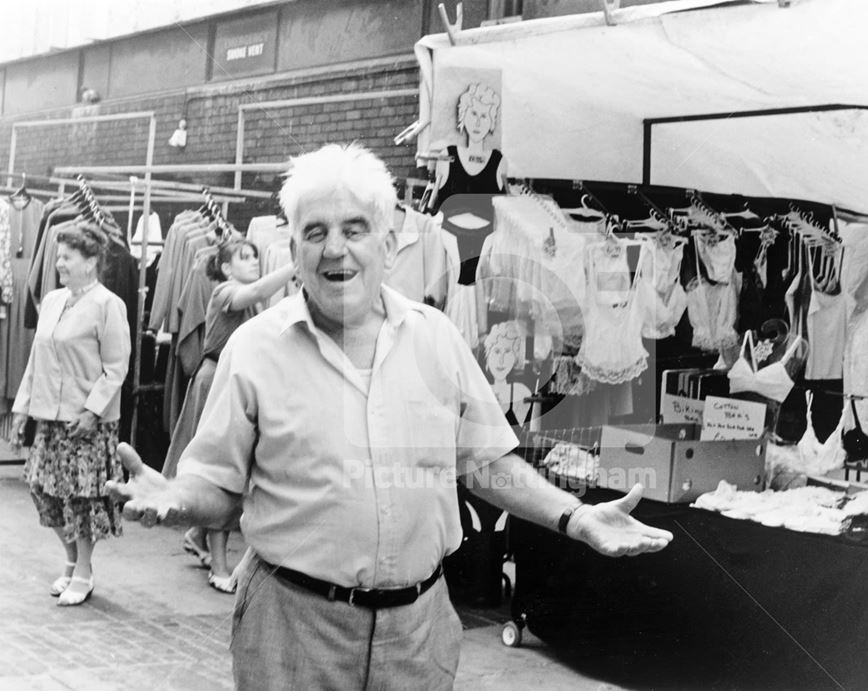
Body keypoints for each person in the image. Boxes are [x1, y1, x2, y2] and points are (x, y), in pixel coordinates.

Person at [106, 142, 673, 689]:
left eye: (354, 229)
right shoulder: (254, 350)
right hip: (292, 630)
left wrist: (575, 517)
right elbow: (220, 489)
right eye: (316, 233)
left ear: (388, 241)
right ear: (295, 249)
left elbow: (485, 464)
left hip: (418, 633)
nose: (335, 249)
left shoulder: (436, 339)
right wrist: (180, 499)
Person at [161, 238, 296, 593]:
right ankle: (219, 567)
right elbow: (249, 294)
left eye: (255, 256)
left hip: (233, 383)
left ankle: (197, 536)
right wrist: (296, 265)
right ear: (224, 268)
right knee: (225, 475)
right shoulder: (226, 292)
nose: (253, 262)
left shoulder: (249, 299)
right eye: (245, 257)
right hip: (215, 381)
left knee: (234, 472)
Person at [10, 223, 131, 607]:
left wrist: (93, 411)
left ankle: (82, 571)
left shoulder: (108, 304)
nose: (58, 263)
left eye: (67, 257)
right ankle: (72, 560)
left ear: (91, 261)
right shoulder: (51, 301)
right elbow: (37, 358)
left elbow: (117, 367)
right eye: (59, 255)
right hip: (49, 416)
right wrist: (21, 409)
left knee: (81, 500)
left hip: (86, 422)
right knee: (43, 491)